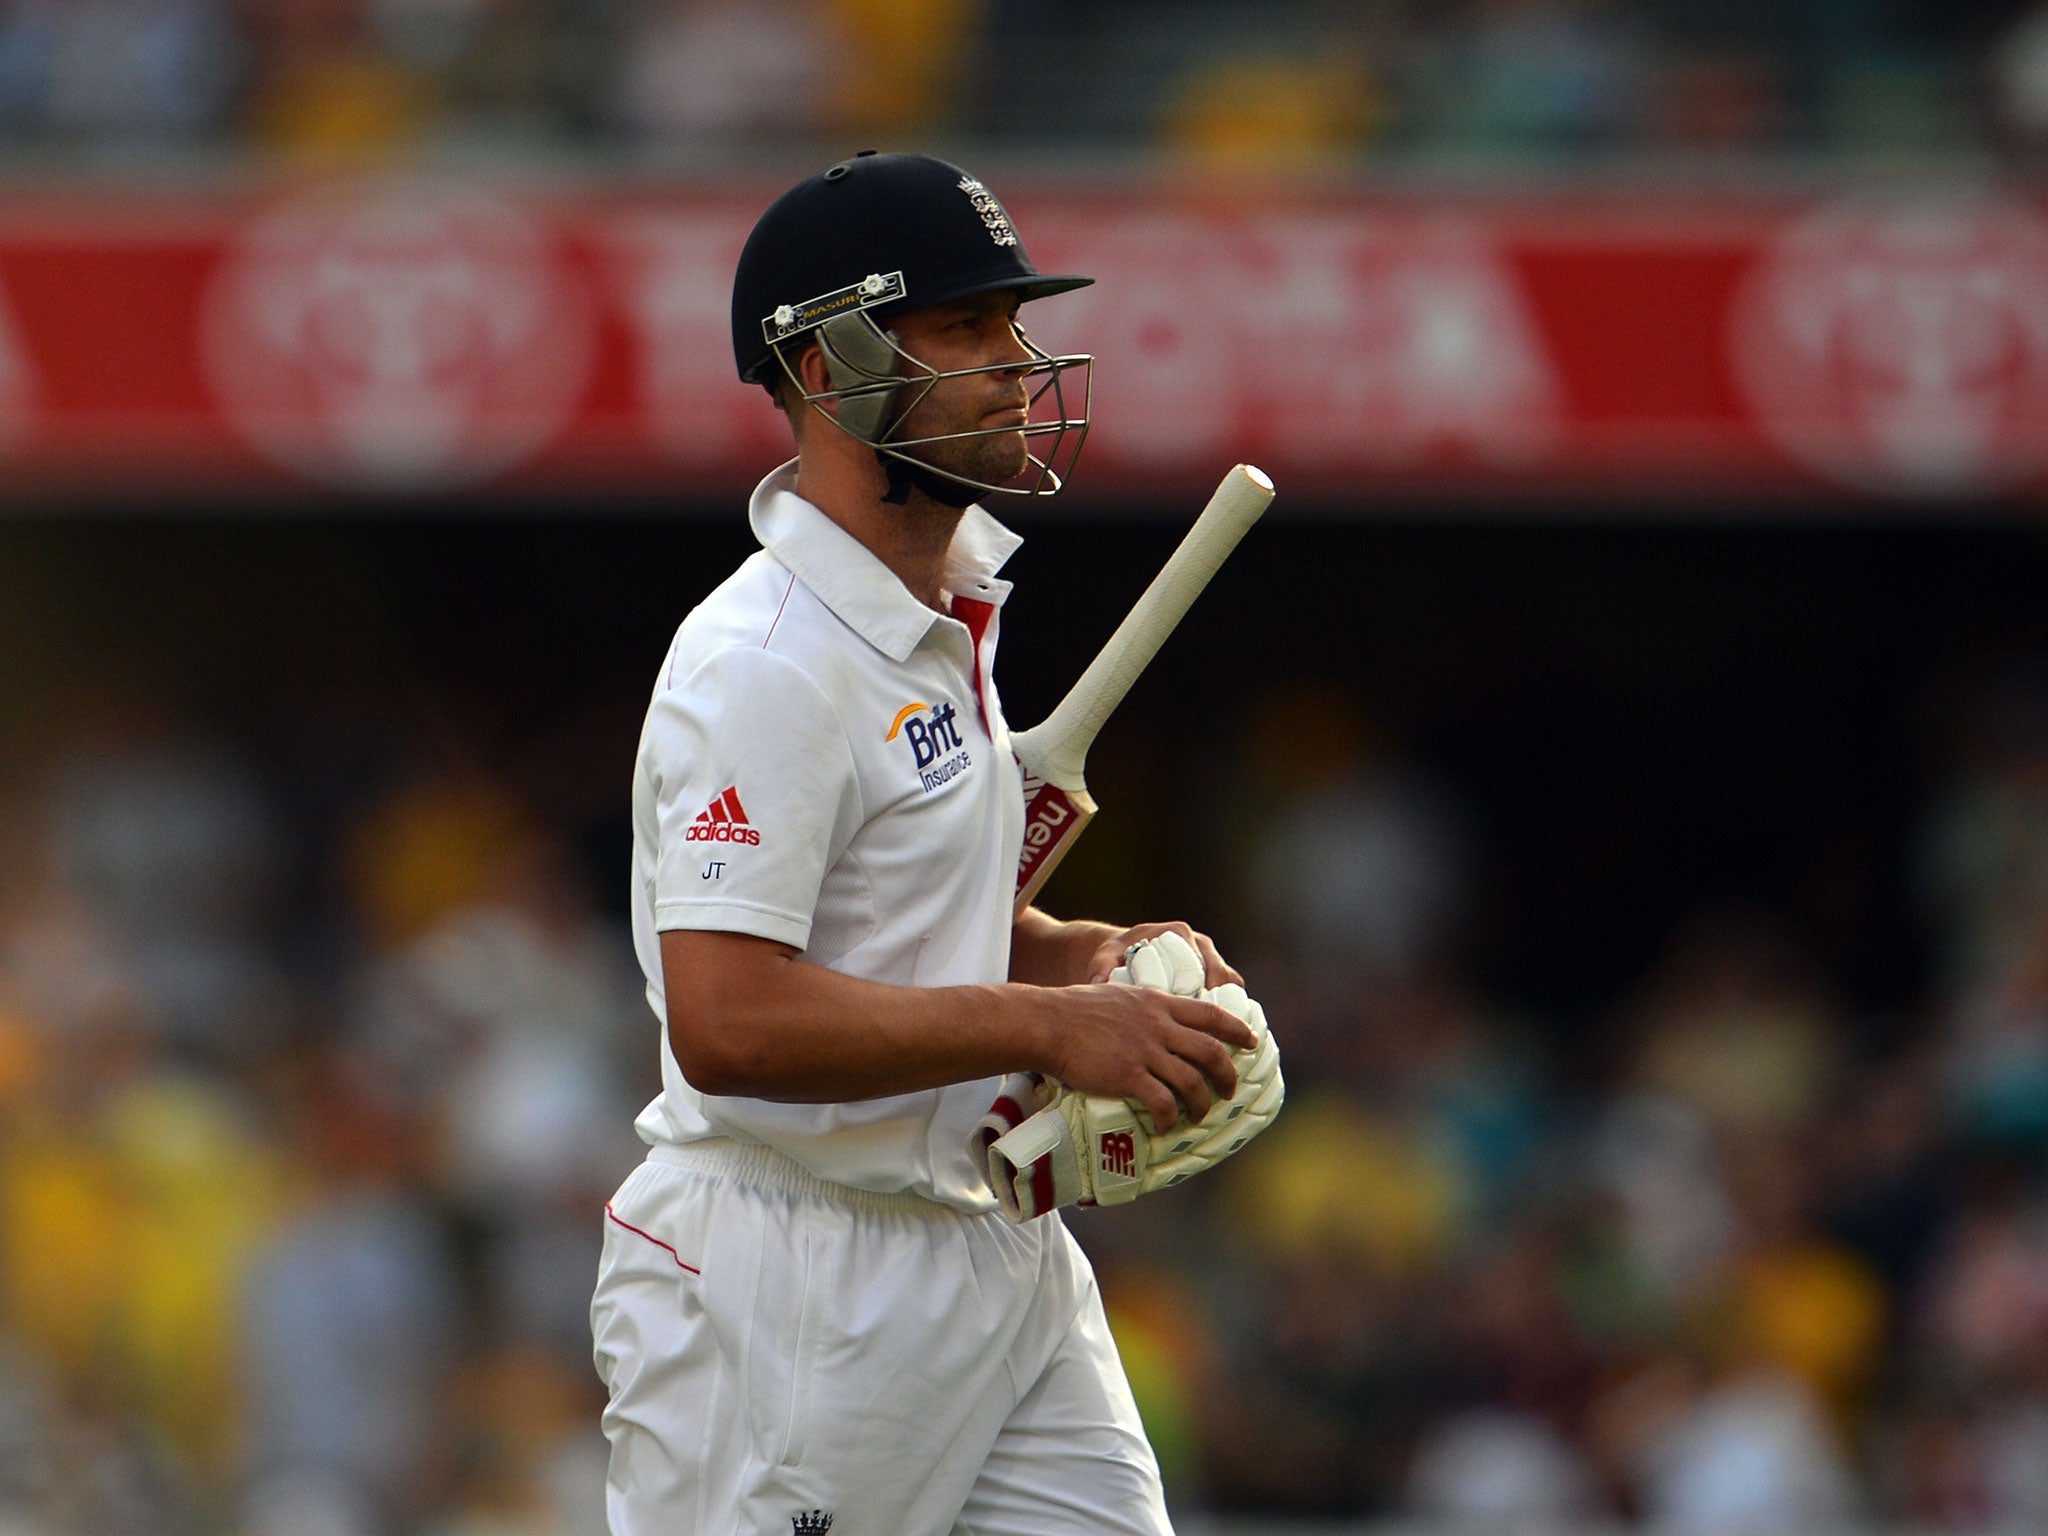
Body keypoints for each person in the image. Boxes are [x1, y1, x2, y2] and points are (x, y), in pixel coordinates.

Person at [589, 151, 1260, 1535]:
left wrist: (1086, 963)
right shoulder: (762, 664)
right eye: (966, 332)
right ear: (827, 370)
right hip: (787, 1282)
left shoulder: (940, 608)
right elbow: (729, 1018)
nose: (1019, 366)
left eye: (1014, 326)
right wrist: (1046, 1027)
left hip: (986, 1246)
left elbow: (892, 913)